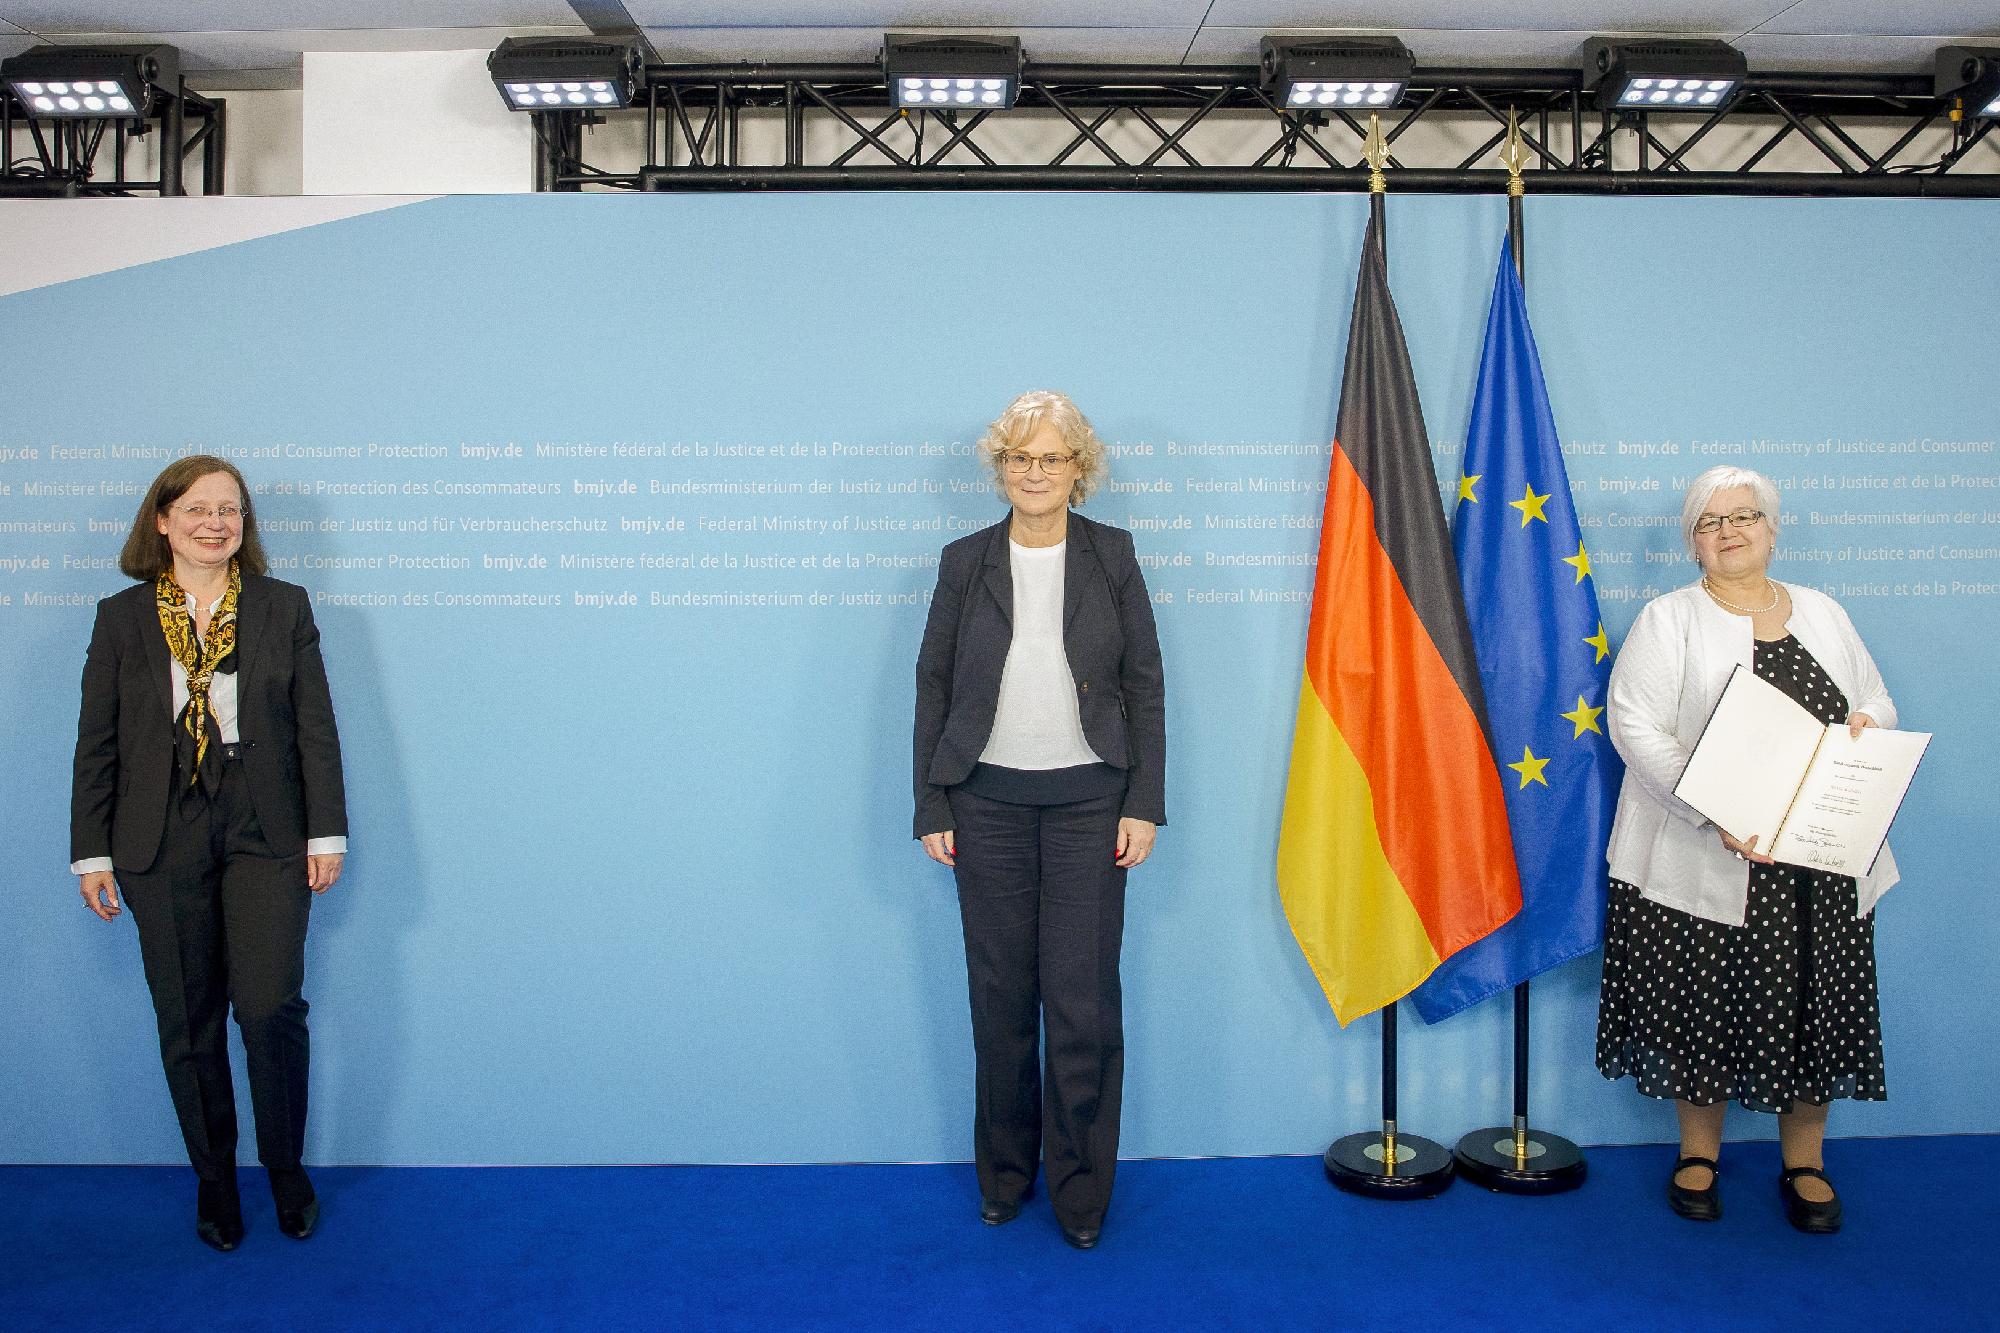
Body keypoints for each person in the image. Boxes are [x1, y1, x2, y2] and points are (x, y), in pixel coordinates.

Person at [1597, 464, 1897, 1235]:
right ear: (1693, 541)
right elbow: (1634, 726)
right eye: (1710, 521)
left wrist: (1866, 723)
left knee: (1815, 1003)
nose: (1730, 531)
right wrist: (1712, 809)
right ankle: (1698, 1153)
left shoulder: (1825, 612)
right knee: (1707, 1003)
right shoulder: (1670, 620)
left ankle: (1806, 1160)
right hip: (1712, 852)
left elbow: (1876, 698)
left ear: (1772, 527)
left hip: (1818, 865)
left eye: (1745, 516)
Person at [71, 455, 348, 1252]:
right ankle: (215, 1181)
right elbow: (98, 744)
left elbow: (315, 728)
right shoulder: (120, 618)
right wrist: (91, 851)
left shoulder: (282, 606)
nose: (215, 522)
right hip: (160, 827)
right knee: (188, 1020)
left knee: (268, 1008)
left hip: (265, 821)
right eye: (197, 508)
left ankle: (286, 1169)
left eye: (230, 509)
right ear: (161, 521)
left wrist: (324, 831)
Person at [913, 390, 1166, 1250]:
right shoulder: (962, 562)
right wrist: (931, 800)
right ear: (1001, 468)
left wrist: (1143, 801)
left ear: (1077, 471)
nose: (1034, 472)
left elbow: (1145, 688)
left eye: (1050, 458)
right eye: (1020, 457)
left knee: (1084, 1004)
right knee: (999, 1002)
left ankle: (1082, 1193)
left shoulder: (1114, 557)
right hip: (983, 806)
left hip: (1092, 805)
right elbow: (935, 689)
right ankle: (1005, 1178)